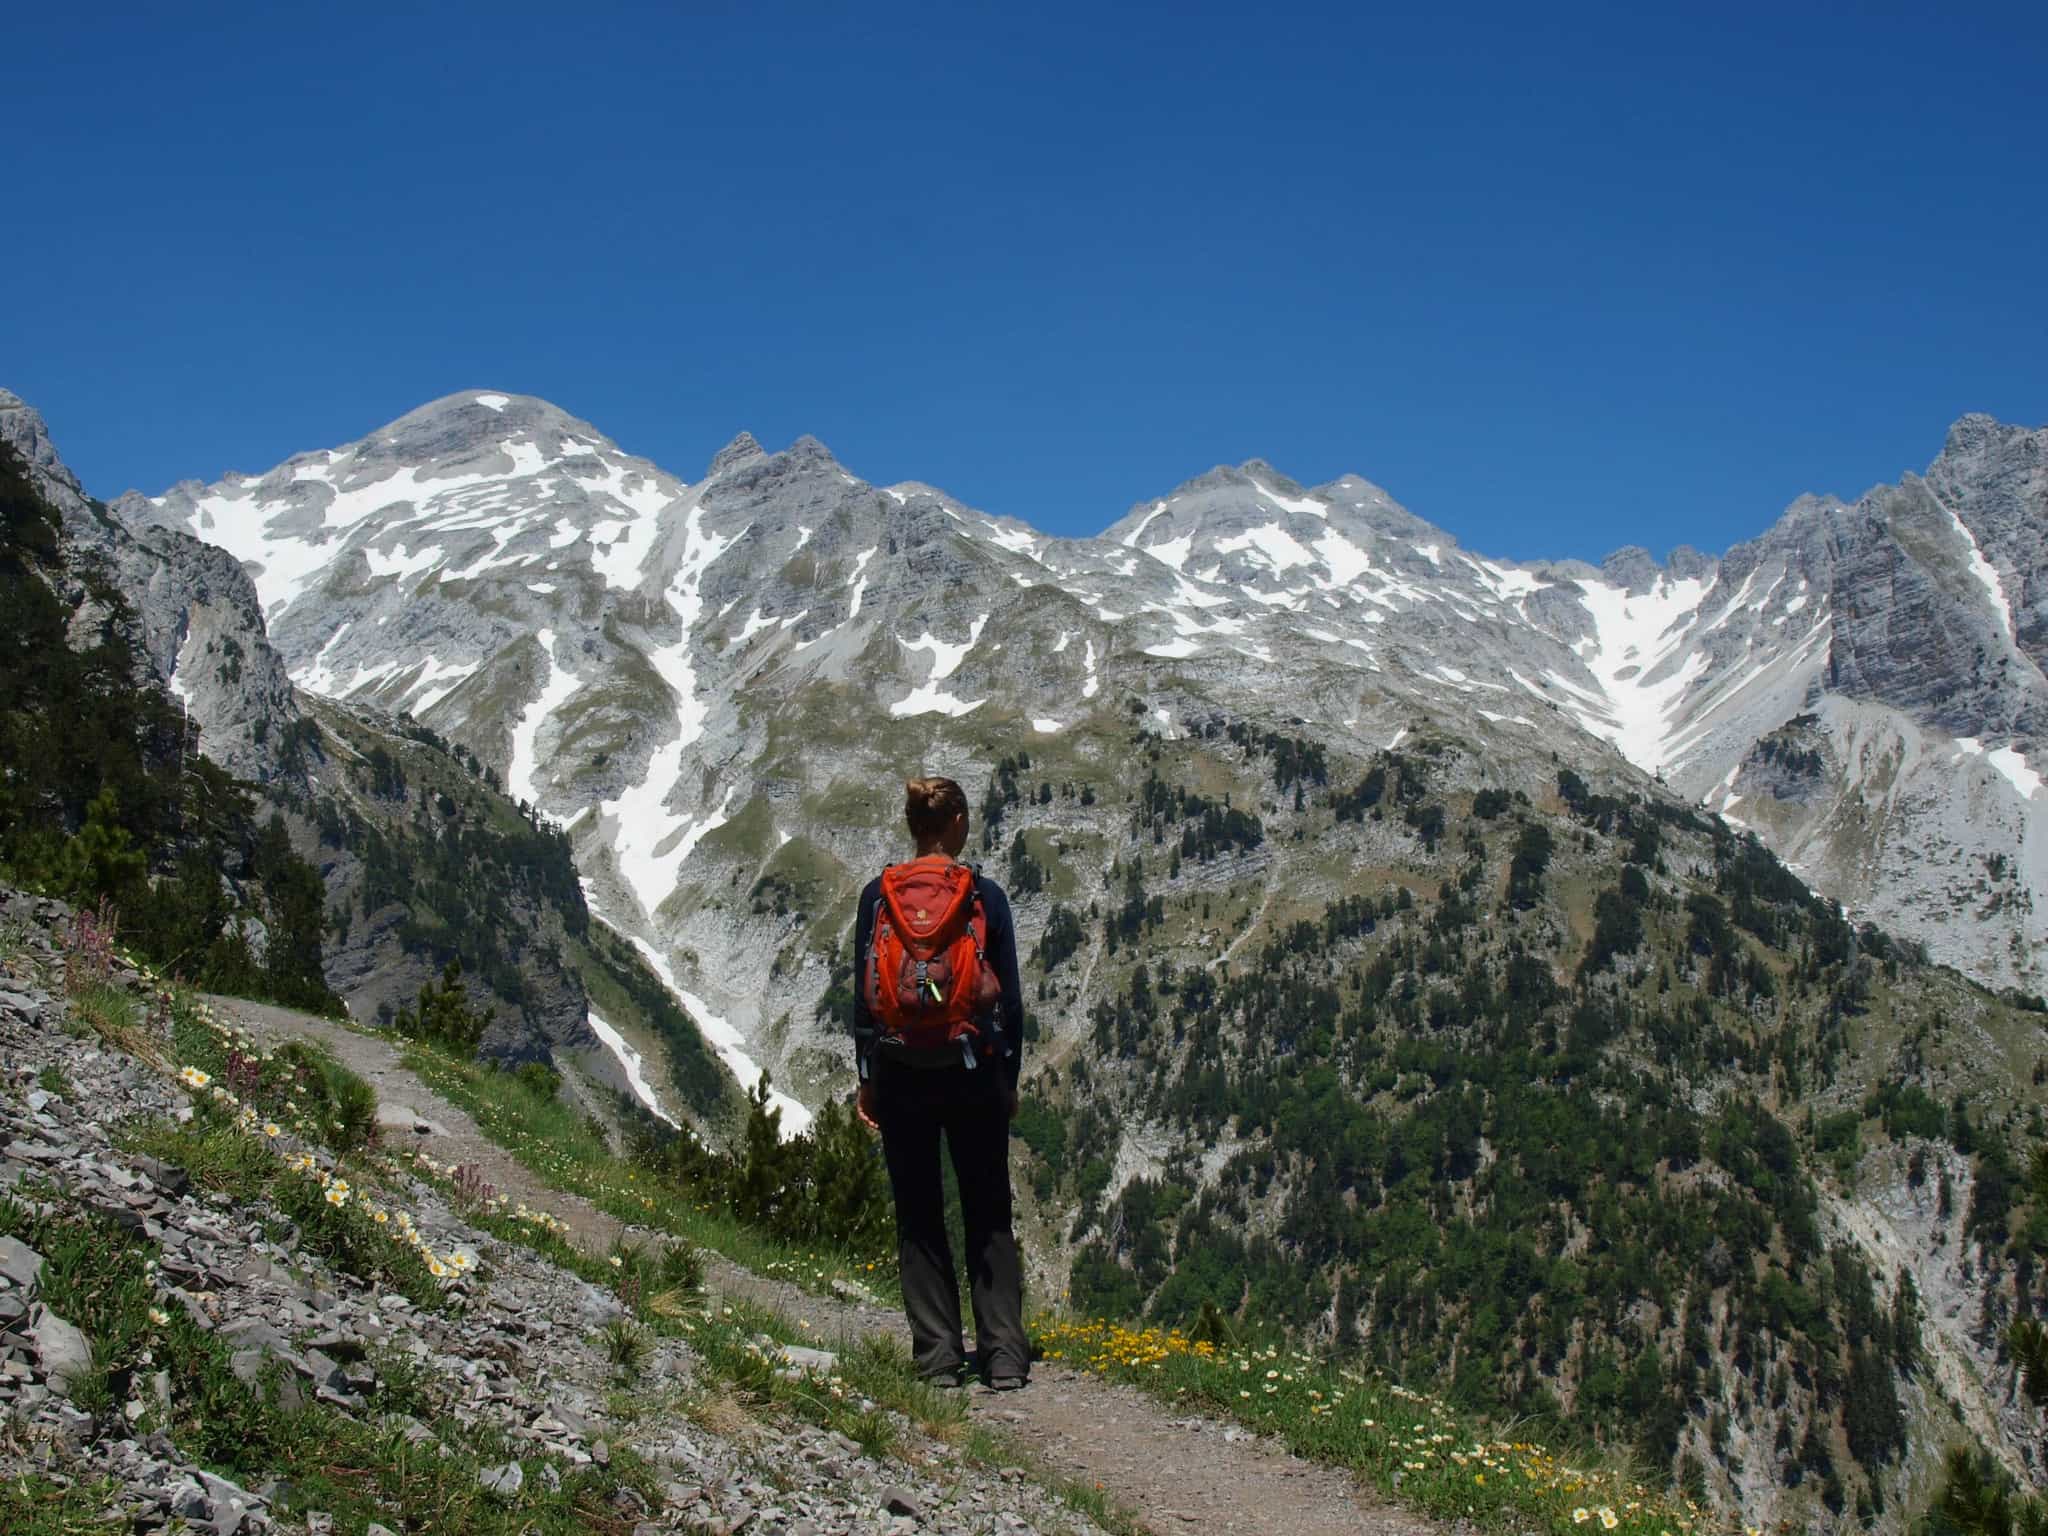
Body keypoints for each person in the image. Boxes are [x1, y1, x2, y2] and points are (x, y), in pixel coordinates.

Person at [852, 775, 1030, 1389]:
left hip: (902, 1070)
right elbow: (1008, 1002)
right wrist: (1008, 1076)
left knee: (920, 1212)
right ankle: (1004, 1355)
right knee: (987, 1208)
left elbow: (865, 997)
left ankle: (937, 1358)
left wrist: (867, 1077)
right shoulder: (985, 895)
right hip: (972, 1068)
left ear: (912, 826)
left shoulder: (878, 896)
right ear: (956, 823)